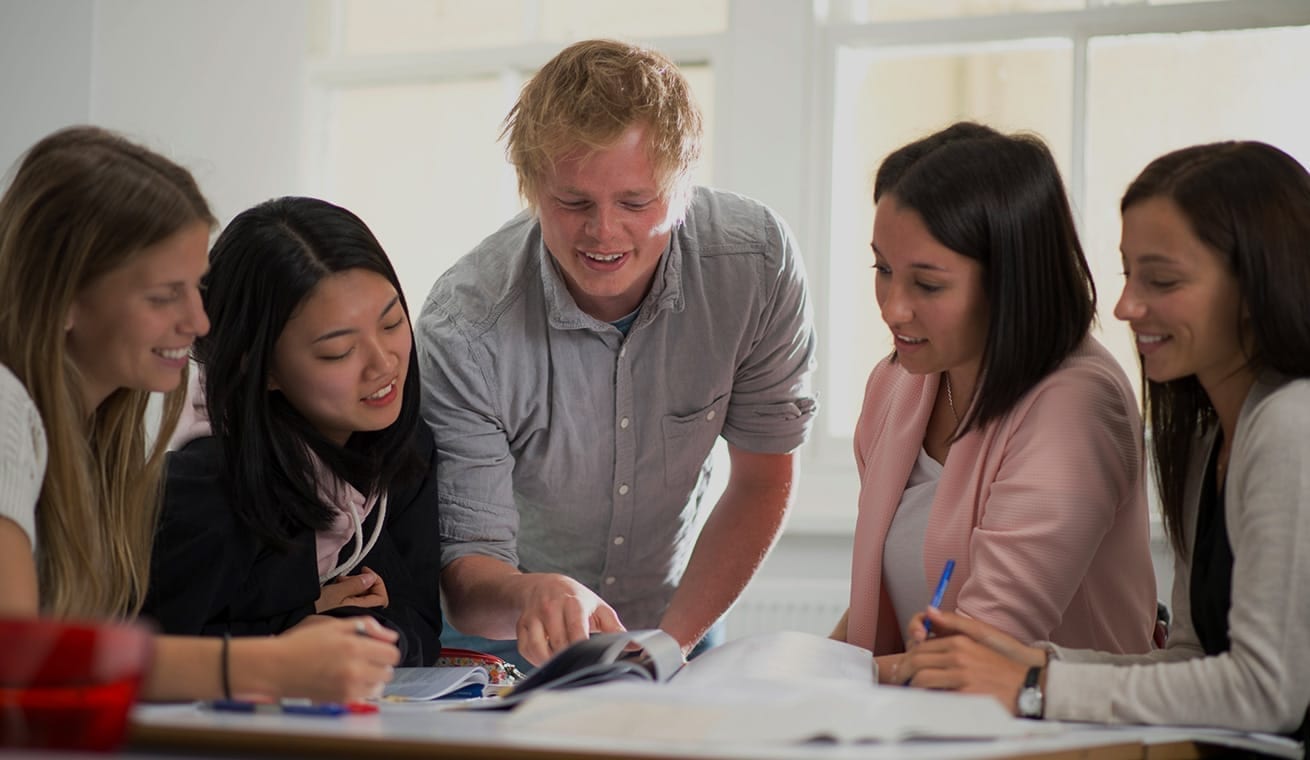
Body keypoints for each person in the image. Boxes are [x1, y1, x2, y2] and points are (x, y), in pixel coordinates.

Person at [417, 39, 817, 667]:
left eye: (636, 202)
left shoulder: (755, 267)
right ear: (529, 189)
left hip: (677, 619)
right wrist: (532, 594)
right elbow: (468, 576)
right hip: (505, 635)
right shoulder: (465, 325)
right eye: (573, 202)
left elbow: (763, 477)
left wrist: (665, 645)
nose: (603, 232)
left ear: (684, 189)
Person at [899, 141, 1310, 740]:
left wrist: (1034, 687)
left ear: (1256, 286)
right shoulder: (1205, 438)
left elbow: (1265, 692)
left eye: (1162, 280)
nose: (1125, 306)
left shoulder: (1290, 425)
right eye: (1127, 273)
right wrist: (1025, 662)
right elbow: (1193, 658)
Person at [0, 126, 399, 702]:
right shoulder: (9, 409)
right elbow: (20, 656)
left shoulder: (90, 436)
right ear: (64, 298)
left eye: (196, 289)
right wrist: (268, 663)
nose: (200, 324)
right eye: (165, 295)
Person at [833, 122, 1157, 679]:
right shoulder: (898, 383)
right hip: (926, 722)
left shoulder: (1075, 406)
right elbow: (883, 610)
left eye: (928, 285)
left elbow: (987, 654)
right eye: (883, 270)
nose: (892, 308)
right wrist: (794, 668)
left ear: (1012, 279)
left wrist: (813, 674)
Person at [141, 197, 443, 667]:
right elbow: (147, 658)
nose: (384, 363)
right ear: (260, 369)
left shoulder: (401, 447)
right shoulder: (207, 486)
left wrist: (348, 631)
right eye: (339, 351)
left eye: (392, 322)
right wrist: (294, 634)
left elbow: (419, 628)